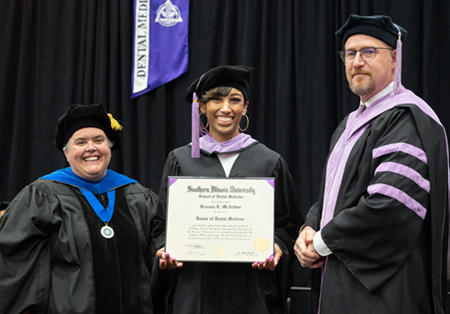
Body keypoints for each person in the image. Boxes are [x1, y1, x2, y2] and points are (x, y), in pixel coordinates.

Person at [294, 14, 449, 314]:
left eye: (368, 52)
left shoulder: (406, 118)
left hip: (384, 293)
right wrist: (309, 229)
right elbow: (333, 196)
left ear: (394, 58)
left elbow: (390, 206)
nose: (357, 62)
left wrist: (323, 242)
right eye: (350, 54)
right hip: (340, 283)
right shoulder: (349, 125)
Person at [150, 65, 303, 314]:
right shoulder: (180, 159)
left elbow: (289, 226)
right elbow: (161, 225)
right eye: (216, 100)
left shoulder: (268, 161)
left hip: (252, 292)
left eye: (234, 100)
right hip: (194, 293)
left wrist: (276, 246)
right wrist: (164, 249)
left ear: (245, 107)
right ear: (201, 106)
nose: (225, 108)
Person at [0, 104, 158, 314]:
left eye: (99, 140)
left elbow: (161, 244)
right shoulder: (42, 196)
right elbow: (15, 262)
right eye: (80, 142)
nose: (91, 147)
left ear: (109, 147)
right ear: (67, 152)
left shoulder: (138, 195)